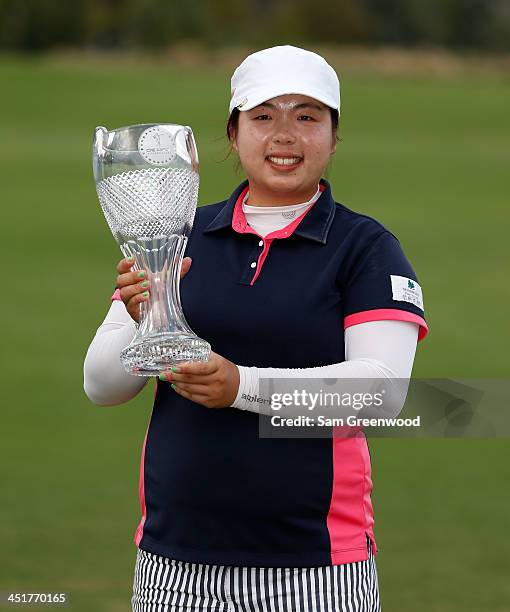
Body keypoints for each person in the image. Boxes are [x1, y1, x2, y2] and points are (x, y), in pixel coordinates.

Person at [84, 45, 429, 612]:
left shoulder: (366, 248)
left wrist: (239, 386)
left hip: (317, 566)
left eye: (307, 116)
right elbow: (102, 386)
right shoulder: (175, 232)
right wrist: (141, 322)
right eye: (263, 115)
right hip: (176, 561)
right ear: (233, 132)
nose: (285, 134)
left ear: (335, 135)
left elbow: (381, 392)